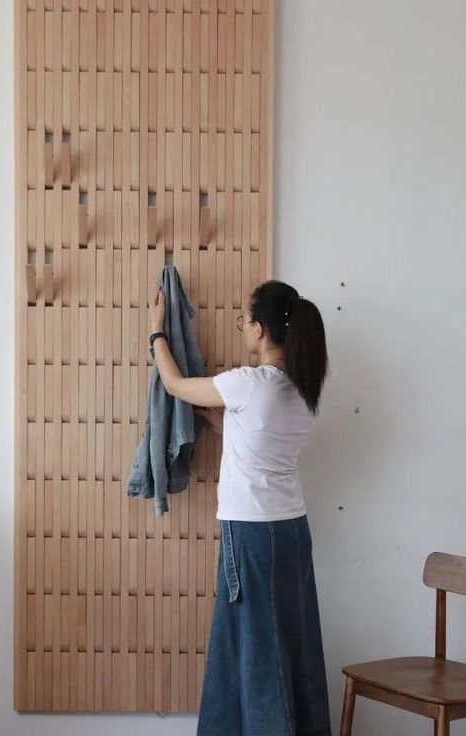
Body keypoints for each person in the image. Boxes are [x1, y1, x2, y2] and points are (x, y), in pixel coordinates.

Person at [148, 279, 332, 736]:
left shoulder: (247, 384)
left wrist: (155, 333)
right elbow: (257, 439)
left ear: (260, 331)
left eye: (244, 320)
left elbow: (173, 384)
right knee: (290, 641)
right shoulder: (303, 392)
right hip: (292, 531)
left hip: (250, 534)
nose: (242, 327)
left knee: (252, 648)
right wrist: (222, 422)